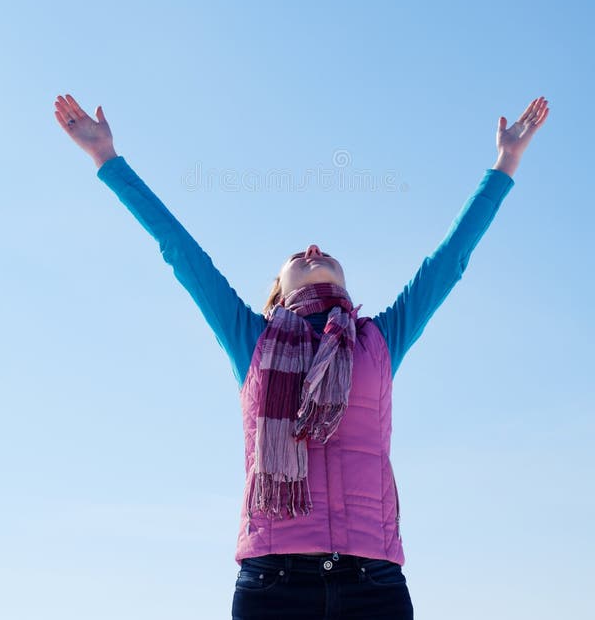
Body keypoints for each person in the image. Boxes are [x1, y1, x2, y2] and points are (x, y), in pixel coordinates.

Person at [53, 93, 549, 620]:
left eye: (322, 252)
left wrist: (506, 162)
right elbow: (180, 250)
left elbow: (449, 261)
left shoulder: (376, 341)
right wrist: (107, 159)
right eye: (297, 256)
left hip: (373, 583)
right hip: (274, 583)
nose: (312, 249)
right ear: (277, 291)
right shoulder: (252, 341)